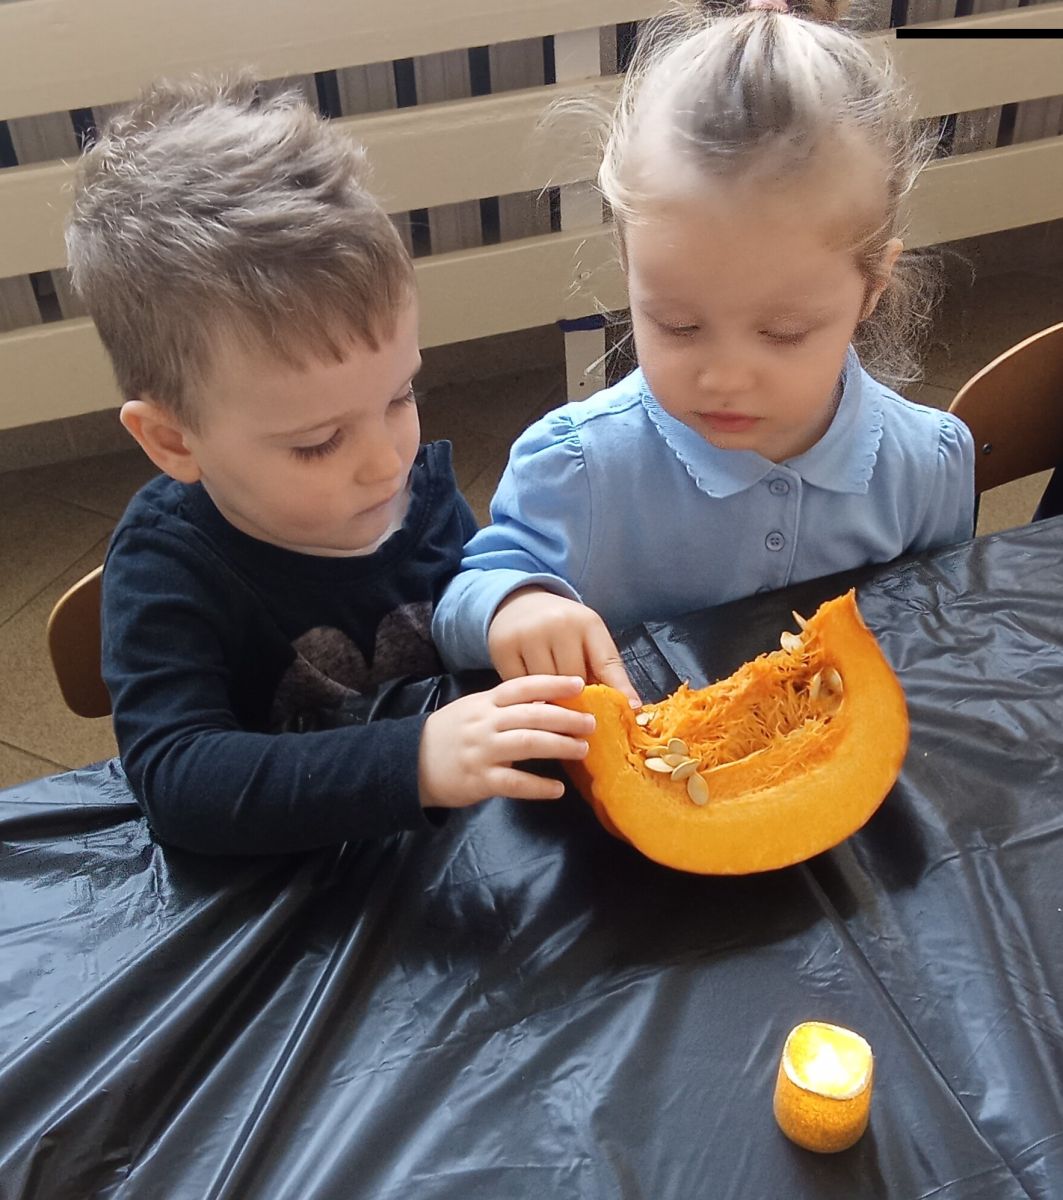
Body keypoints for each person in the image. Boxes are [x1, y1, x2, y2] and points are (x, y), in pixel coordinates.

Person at [65, 77, 594, 855]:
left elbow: (464, 598)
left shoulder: (416, 486)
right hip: (292, 888)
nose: (387, 465)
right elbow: (178, 782)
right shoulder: (166, 570)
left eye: (400, 396)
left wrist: (505, 605)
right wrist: (412, 760)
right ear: (174, 441)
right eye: (317, 442)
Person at [432, 0, 975, 696]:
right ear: (628, 266)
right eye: (678, 325)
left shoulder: (928, 468)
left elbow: (938, 629)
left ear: (872, 287)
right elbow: (462, 601)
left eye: (782, 332)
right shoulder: (576, 468)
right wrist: (514, 605)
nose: (724, 378)